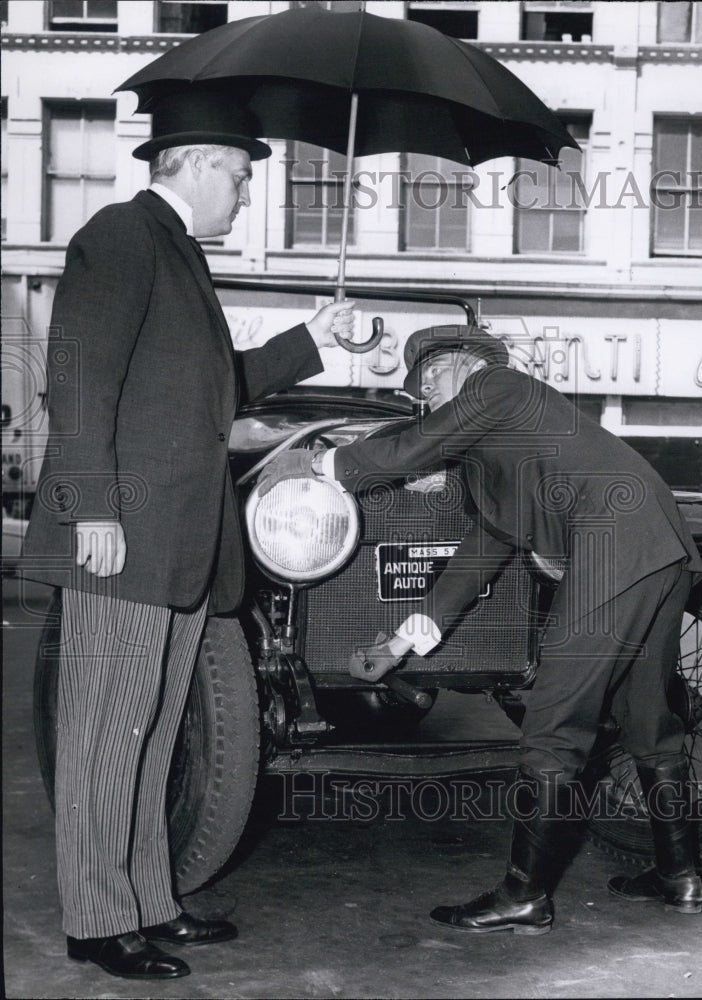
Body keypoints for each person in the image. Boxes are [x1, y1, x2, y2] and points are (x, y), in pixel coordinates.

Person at [21, 90, 354, 980]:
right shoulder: (122, 236)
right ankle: (97, 922)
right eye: (240, 177)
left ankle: (148, 902)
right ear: (199, 161)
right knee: (103, 736)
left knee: (151, 734)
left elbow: (208, 391)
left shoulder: (175, 253)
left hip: (172, 543)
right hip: (123, 536)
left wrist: (309, 338)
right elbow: (77, 375)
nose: (245, 195)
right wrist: (92, 507)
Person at [258, 323, 702, 935]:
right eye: (418, 386)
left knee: (554, 724)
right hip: (660, 548)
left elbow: (410, 449)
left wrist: (317, 463)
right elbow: (479, 555)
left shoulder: (499, 387)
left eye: (432, 374)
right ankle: (679, 875)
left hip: (614, 544)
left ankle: (525, 895)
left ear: (467, 362)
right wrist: (400, 643)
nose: (423, 392)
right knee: (648, 716)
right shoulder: (502, 451)